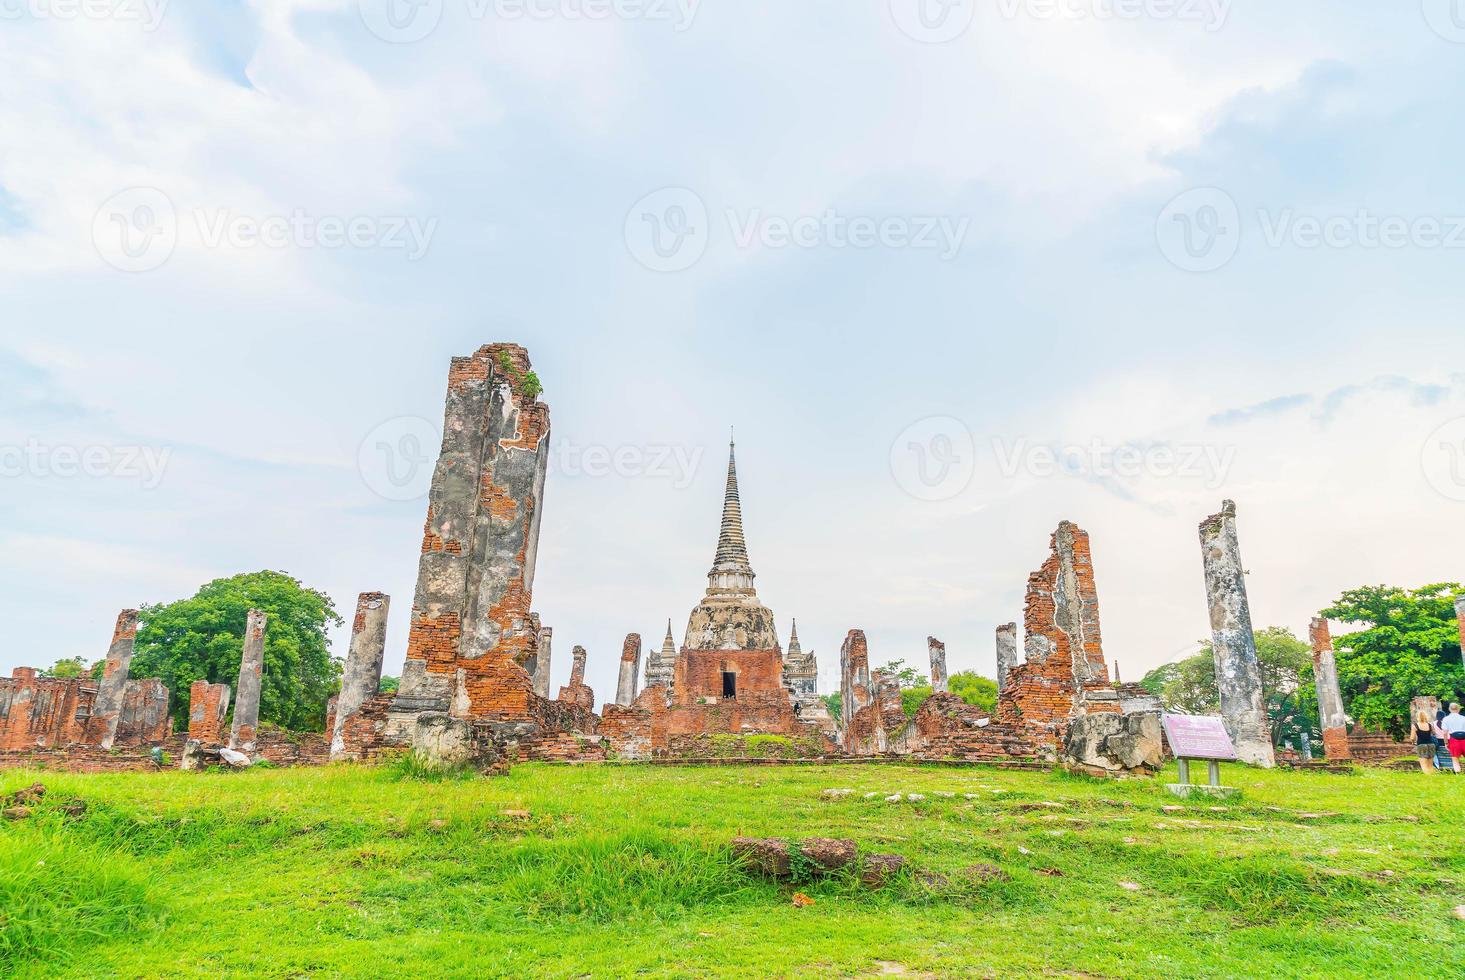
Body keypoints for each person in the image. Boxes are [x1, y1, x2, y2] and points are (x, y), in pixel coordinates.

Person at [1440, 703, 1465, 775]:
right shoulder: (1463, 718)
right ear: (1459, 709)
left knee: (1455, 758)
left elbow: (1445, 733)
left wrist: (1446, 743)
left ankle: (1457, 774)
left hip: (1454, 739)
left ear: (1449, 709)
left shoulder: (1446, 719)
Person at [1414, 709, 1439, 773]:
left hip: (1421, 745)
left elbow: (1412, 737)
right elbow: (1434, 733)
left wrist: (1413, 742)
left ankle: (1427, 778)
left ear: (1418, 717)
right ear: (1426, 716)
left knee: (1424, 765)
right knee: (1430, 765)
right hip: (1431, 745)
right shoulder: (1430, 725)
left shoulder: (1415, 725)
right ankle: (1431, 778)